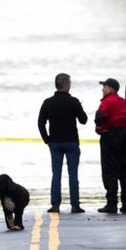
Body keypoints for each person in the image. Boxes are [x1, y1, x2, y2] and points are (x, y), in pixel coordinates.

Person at [38, 73, 88, 214]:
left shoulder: (48, 102)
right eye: (70, 83)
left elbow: (40, 123)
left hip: (54, 143)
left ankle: (55, 205)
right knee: (73, 175)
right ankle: (75, 205)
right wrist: (79, 108)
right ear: (66, 84)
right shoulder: (73, 101)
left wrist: (46, 139)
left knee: (56, 174)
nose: (70, 85)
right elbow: (83, 120)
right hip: (71, 142)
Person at [94, 78, 126, 214]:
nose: (102, 89)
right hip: (124, 138)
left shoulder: (107, 102)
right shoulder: (124, 103)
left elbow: (100, 118)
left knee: (109, 170)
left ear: (110, 89)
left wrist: (98, 126)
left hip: (110, 137)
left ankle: (111, 204)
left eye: (104, 87)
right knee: (124, 171)